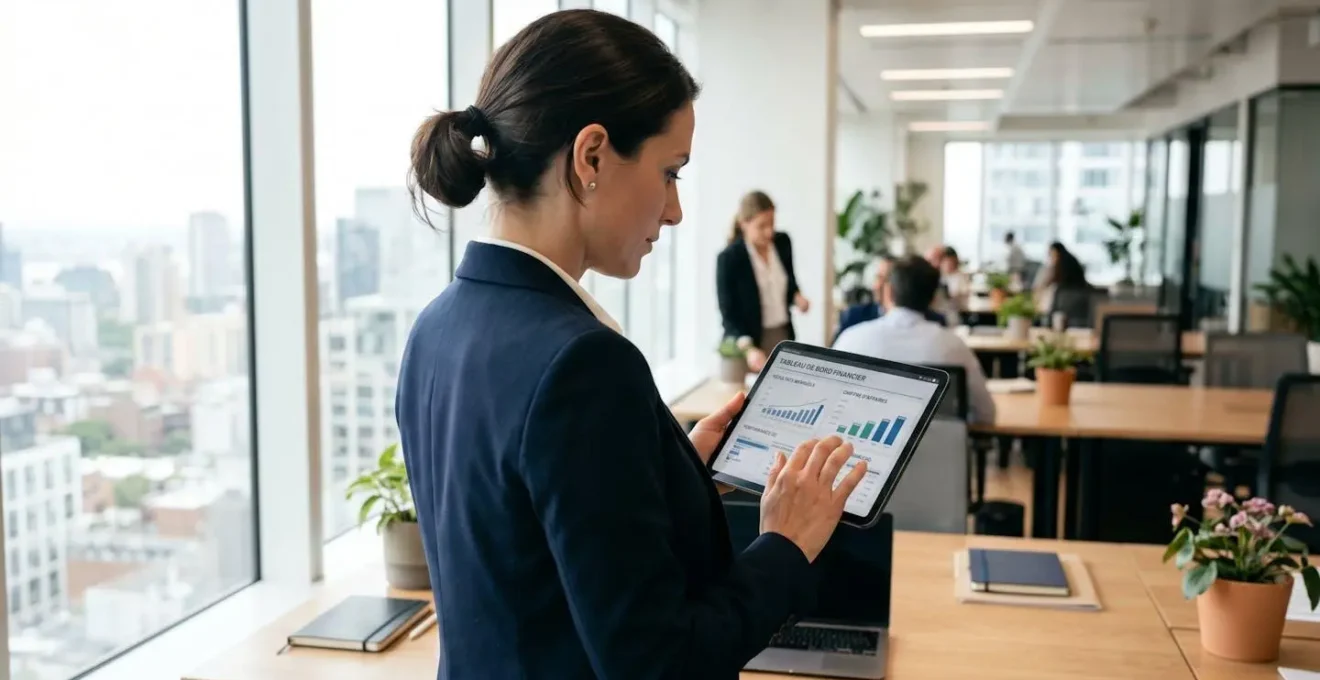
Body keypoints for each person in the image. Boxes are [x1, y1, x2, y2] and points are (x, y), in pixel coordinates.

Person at [396, 11, 866, 680]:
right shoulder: (582, 362)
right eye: (671, 171)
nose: (674, 210)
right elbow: (660, 662)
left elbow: (527, 552)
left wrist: (668, 470)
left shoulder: (437, 326)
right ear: (591, 156)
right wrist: (788, 545)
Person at [834, 256, 996, 425]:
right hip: (941, 450)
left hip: (864, 447)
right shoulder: (953, 346)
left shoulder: (851, 339)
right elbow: (986, 414)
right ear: (934, 298)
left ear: (888, 291)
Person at [716, 190, 809, 372]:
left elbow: (789, 282)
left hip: (783, 335)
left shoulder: (783, 243)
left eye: (772, 223)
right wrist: (749, 349)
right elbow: (729, 315)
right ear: (744, 224)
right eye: (762, 226)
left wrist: (797, 297)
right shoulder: (729, 259)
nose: (769, 232)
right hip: (750, 345)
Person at [833, 255, 944, 343]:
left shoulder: (935, 321)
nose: (879, 285)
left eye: (887, 279)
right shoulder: (853, 316)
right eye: (878, 277)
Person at [1036, 242, 1094, 327]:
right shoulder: (1071, 259)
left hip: (1066, 300)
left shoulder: (1061, 263)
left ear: (1056, 252)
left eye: (1051, 254)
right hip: (1081, 300)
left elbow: (1049, 282)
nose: (1051, 258)